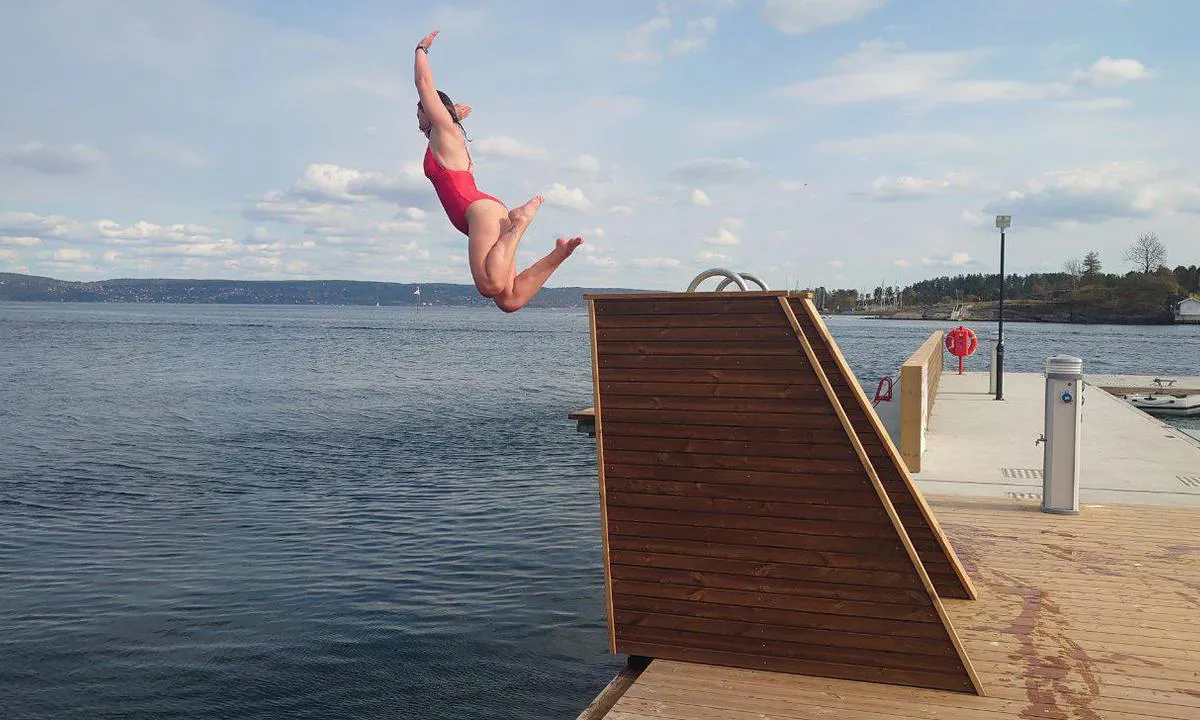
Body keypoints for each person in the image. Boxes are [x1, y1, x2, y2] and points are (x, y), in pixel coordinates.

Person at [414, 30, 583, 313]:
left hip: (479, 212)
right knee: (509, 299)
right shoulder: (446, 134)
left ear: (431, 111)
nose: (417, 120)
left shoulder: (443, 129)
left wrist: (421, 50)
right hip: (484, 214)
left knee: (489, 285)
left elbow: (423, 83)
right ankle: (561, 252)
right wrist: (453, 111)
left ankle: (519, 223)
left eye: (419, 113)